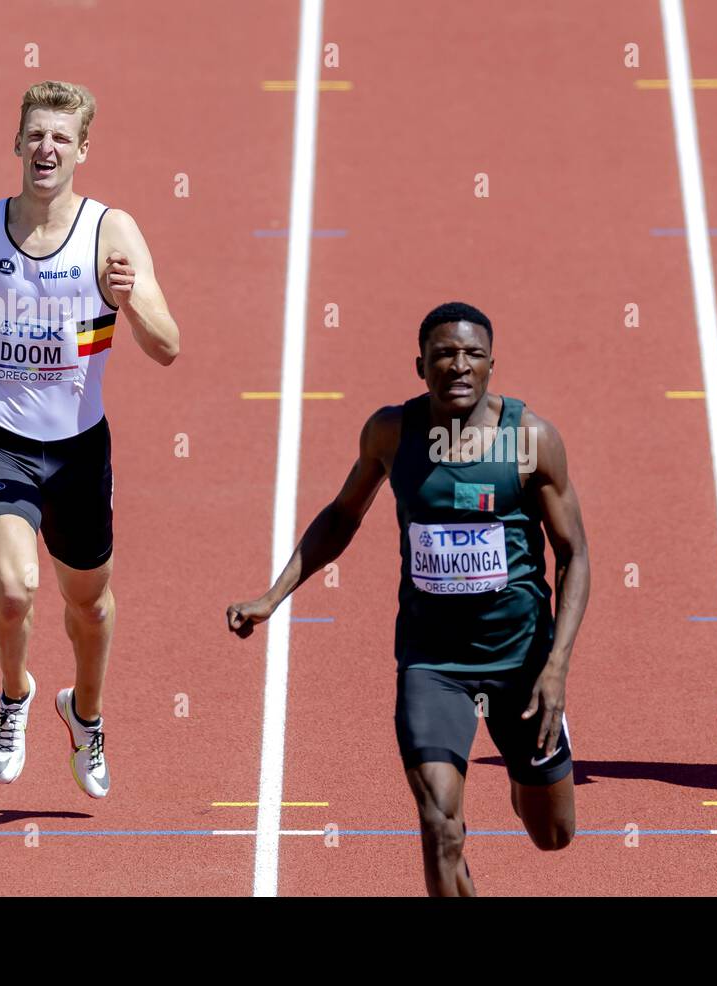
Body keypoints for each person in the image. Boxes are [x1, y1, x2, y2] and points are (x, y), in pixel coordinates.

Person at [227, 302, 589, 894]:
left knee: (553, 834)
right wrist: (273, 596)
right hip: (432, 662)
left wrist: (556, 668)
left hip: (521, 659)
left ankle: (526, 775)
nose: (459, 366)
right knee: (439, 823)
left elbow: (574, 554)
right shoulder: (391, 433)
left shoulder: (532, 440)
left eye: (473, 354)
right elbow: (343, 515)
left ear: (493, 364)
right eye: (444, 354)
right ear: (420, 365)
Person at [0, 81, 181, 799]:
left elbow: (168, 346)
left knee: (89, 607)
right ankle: (15, 698)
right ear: (17, 143)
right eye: (36, 135)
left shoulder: (112, 233)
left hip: (77, 453)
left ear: (82, 150)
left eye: (62, 138)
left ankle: (87, 714)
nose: (47, 148)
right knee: (14, 590)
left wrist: (130, 302)